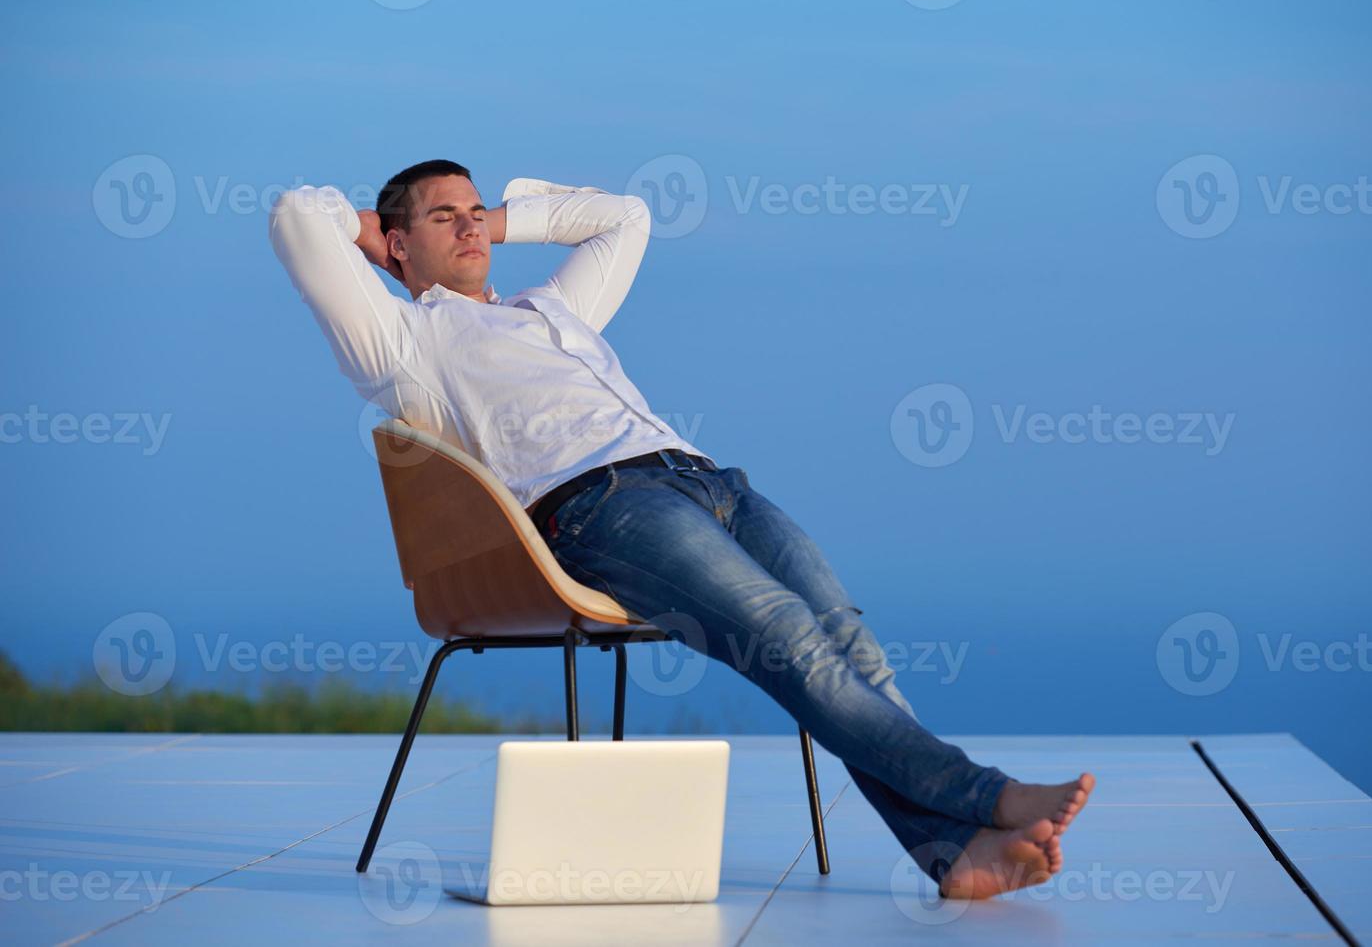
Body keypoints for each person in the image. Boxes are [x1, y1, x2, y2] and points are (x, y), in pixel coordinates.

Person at [268, 159, 1094, 899]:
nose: (471, 224)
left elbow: (626, 216)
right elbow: (293, 217)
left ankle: (950, 853)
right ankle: (984, 794)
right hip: (599, 508)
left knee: (844, 634)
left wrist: (497, 219)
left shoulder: (553, 307)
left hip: (708, 482)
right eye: (442, 215)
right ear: (398, 246)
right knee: (784, 633)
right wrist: (361, 231)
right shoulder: (404, 340)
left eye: (476, 209)